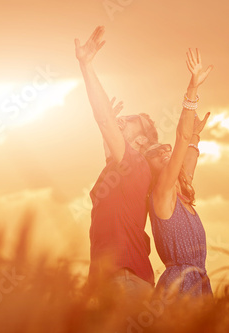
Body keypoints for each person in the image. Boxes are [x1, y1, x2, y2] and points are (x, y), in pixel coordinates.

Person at [74, 26, 159, 301]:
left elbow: (104, 120)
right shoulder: (116, 170)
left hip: (125, 281)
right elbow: (107, 134)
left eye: (134, 120)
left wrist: (86, 64)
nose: (124, 119)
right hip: (106, 283)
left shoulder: (136, 165)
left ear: (143, 142)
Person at [145, 48, 213, 300]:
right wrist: (192, 88)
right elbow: (181, 138)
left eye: (165, 148)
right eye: (154, 153)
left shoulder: (180, 193)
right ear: (147, 167)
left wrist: (195, 136)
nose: (163, 150)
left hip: (198, 282)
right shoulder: (161, 191)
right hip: (180, 287)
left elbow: (189, 160)